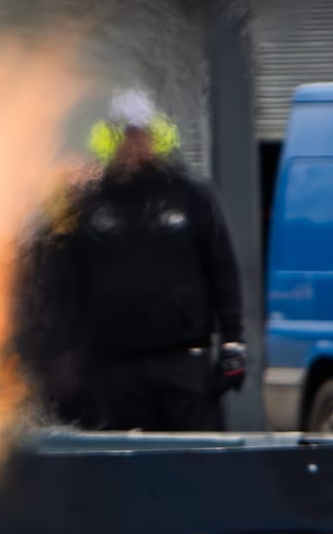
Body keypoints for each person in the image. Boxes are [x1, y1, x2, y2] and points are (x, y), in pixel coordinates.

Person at [16, 89, 245, 431]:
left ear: (157, 137)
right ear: (109, 140)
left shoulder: (191, 195)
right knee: (124, 456)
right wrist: (61, 354)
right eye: (124, 135)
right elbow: (62, 282)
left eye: (141, 134)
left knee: (196, 456)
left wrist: (233, 342)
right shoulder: (87, 204)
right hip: (114, 371)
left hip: (185, 364)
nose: (133, 145)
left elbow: (222, 270)